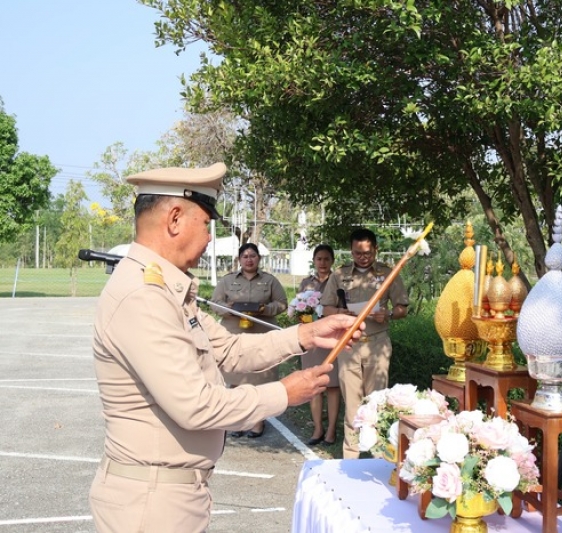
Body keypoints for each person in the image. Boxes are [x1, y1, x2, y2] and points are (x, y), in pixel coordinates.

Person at [88, 162, 362, 533]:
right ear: (174, 219)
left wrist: (306, 335)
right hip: (150, 504)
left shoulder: (164, 289)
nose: (208, 238)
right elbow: (196, 406)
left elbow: (230, 350)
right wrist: (284, 392)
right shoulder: (144, 296)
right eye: (206, 224)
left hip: (170, 494)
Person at [321, 228, 409, 459]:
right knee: (352, 403)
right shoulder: (339, 275)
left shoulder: (387, 273)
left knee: (378, 402)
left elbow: (402, 308)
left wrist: (388, 314)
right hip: (349, 344)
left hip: (378, 344)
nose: (363, 257)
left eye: (368, 253)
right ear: (351, 251)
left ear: (375, 250)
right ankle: (351, 456)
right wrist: (339, 312)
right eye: (358, 253)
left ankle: (379, 458)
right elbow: (326, 307)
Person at [212, 242, 288, 438]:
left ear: (259, 258)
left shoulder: (270, 280)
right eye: (245, 256)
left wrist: (265, 309)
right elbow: (215, 303)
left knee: (259, 379)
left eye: (252, 256)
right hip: (235, 335)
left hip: (262, 334)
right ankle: (237, 422)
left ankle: (257, 423)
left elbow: (282, 303)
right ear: (239, 259)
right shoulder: (227, 280)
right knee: (236, 379)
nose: (249, 260)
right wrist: (228, 308)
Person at [298, 244, 341, 446]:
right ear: (314, 261)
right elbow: (298, 306)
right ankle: (317, 428)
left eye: (326, 259)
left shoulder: (338, 281)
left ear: (332, 261)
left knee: (332, 386)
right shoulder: (306, 283)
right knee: (314, 385)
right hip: (312, 339)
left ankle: (331, 430)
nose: (322, 263)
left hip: (332, 338)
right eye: (319, 259)